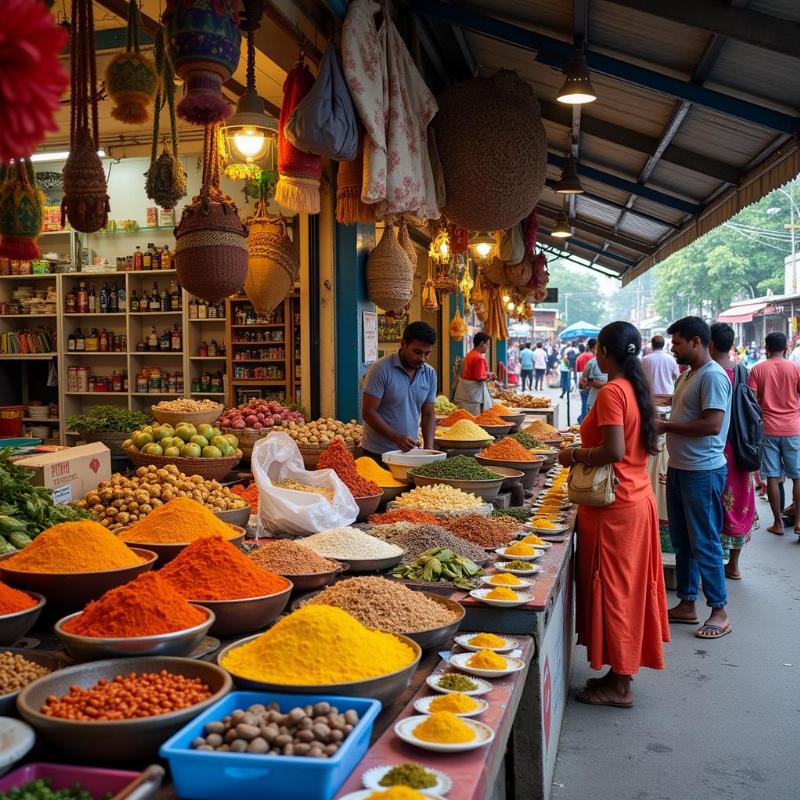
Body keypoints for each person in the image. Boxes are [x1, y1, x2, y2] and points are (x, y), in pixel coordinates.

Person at [558, 321, 668, 708]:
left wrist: (574, 454)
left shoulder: (611, 393)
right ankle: (618, 671)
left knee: (617, 591)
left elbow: (614, 451)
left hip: (615, 509)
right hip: (636, 500)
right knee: (627, 589)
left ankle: (621, 686)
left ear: (604, 352)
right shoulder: (635, 390)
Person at [658, 317, 732, 640]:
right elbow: (681, 410)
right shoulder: (688, 375)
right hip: (680, 468)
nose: (673, 348)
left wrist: (666, 427)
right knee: (682, 539)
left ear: (697, 342)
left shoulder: (713, 376)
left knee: (704, 540)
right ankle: (687, 603)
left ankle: (719, 610)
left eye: (677, 343)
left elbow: (712, 425)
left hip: (703, 471)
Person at [709, 323, 756, 580]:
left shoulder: (709, 373)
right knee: (739, 503)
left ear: (710, 343)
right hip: (742, 447)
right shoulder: (743, 371)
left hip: (717, 448)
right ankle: (734, 565)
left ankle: (716, 564)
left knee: (714, 504)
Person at [747, 331, 800, 536]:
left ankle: (778, 523)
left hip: (768, 429)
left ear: (766, 348)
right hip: (793, 428)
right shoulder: (795, 369)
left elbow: (751, 403)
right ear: (786, 348)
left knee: (772, 476)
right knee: (797, 476)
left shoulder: (757, 370)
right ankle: (798, 522)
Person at [361, 321, 437, 459]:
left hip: (410, 453)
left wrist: (429, 448)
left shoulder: (429, 373)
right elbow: (368, 412)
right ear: (403, 344)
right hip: (378, 453)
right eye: (417, 352)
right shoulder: (380, 369)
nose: (422, 359)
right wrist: (396, 437)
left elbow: (428, 414)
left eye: (427, 354)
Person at [454, 331, 494, 414]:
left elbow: (471, 373)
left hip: (464, 395)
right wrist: (490, 377)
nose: (488, 347)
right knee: (474, 421)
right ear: (482, 343)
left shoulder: (469, 355)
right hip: (473, 397)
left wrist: (487, 374)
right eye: (488, 344)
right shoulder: (479, 358)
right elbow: (478, 377)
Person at [642, 334, 680, 401]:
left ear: (652, 345)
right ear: (663, 345)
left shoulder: (645, 359)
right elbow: (677, 378)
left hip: (651, 396)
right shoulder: (671, 359)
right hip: (668, 396)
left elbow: (641, 378)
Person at [576, 338, 596, 422]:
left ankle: (583, 422)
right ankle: (584, 421)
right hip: (589, 385)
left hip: (583, 382)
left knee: (584, 404)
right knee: (588, 406)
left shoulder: (580, 357)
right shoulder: (594, 359)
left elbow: (578, 370)